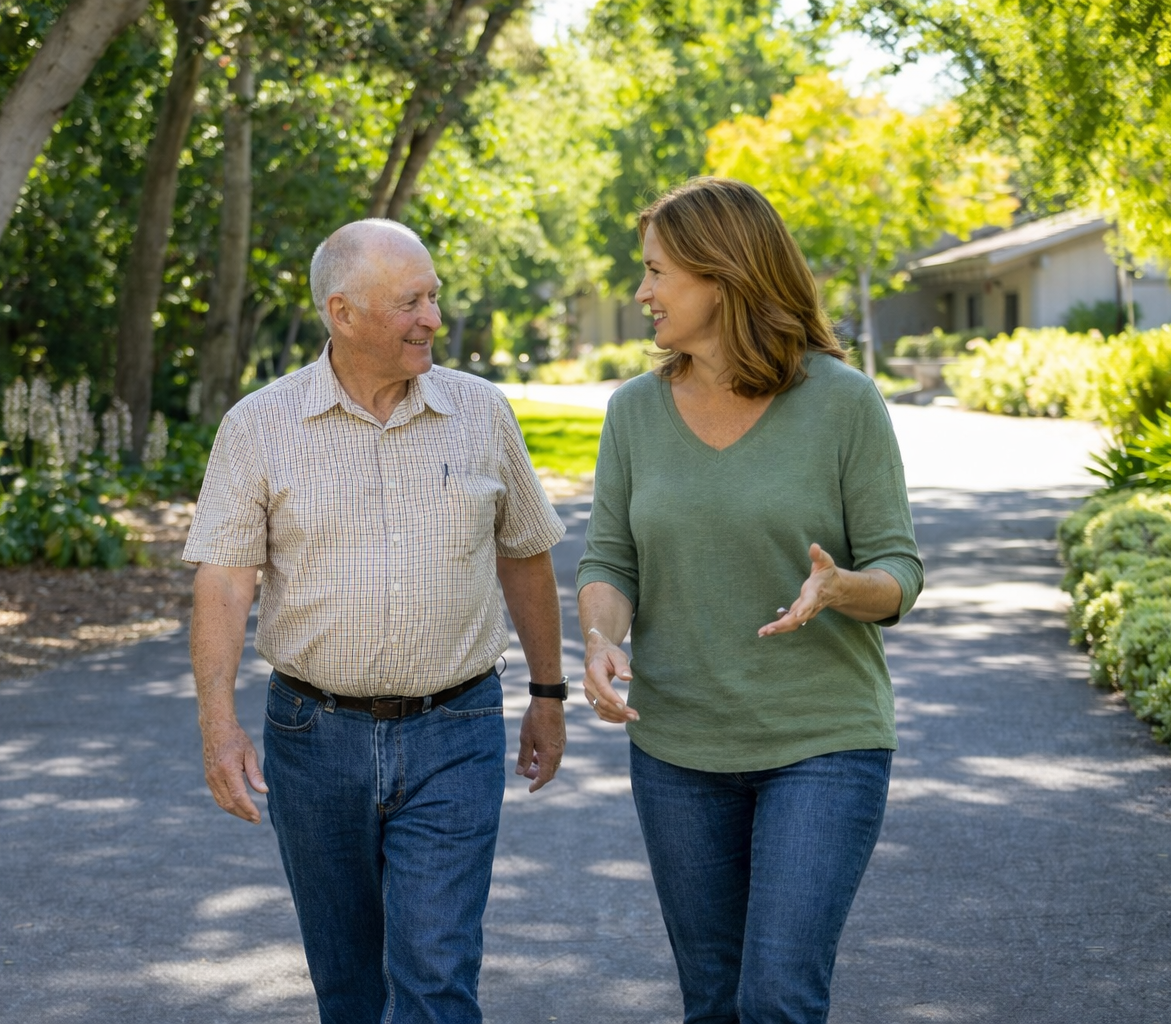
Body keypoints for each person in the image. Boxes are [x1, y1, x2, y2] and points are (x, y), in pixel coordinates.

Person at [183, 218, 569, 1024]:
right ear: (343, 313)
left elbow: (525, 555)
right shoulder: (258, 425)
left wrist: (548, 692)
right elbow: (224, 580)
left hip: (455, 730)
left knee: (435, 977)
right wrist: (219, 725)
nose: (433, 318)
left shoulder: (480, 412)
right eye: (410, 302)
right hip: (311, 738)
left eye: (433, 296)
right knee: (350, 986)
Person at [576, 178, 923, 1024]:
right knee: (713, 1001)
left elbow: (898, 572)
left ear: (723, 276)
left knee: (776, 997)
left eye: (657, 273)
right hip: (678, 750)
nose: (642, 293)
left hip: (823, 741)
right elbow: (610, 561)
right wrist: (599, 636)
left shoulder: (843, 402)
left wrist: (843, 587)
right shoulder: (633, 412)